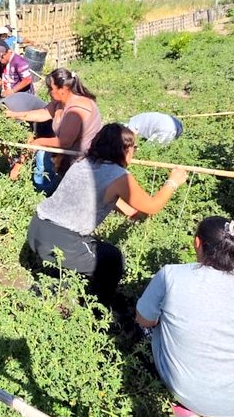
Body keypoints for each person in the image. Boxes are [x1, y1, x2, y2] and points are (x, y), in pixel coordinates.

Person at [136, 216, 234, 417]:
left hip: (190, 392)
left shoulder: (171, 275)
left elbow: (144, 320)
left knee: (154, 326)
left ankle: (190, 406)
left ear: (197, 242)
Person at [26, 123, 188, 301]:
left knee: (93, 254)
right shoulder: (119, 176)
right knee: (112, 260)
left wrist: (130, 212)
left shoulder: (82, 163)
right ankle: (97, 307)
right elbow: (152, 206)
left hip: (36, 229)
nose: (135, 152)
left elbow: (98, 195)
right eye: (135, 147)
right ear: (126, 149)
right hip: (61, 240)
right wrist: (173, 182)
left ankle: (47, 286)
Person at [5, 68, 102, 177]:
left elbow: (65, 142)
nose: (49, 92)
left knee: (42, 161)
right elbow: (43, 113)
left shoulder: (77, 109)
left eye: (51, 89)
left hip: (83, 160)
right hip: (66, 154)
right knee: (42, 160)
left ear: (63, 89)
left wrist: (37, 142)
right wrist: (13, 114)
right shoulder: (59, 103)